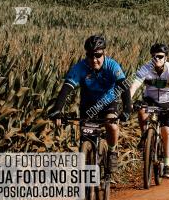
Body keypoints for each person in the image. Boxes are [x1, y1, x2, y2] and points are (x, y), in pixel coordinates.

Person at [48, 35, 131, 174]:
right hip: (88, 104)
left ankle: (111, 152)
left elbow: (124, 86)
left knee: (112, 125)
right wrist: (57, 109)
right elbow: (66, 89)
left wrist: (128, 108)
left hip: (108, 102)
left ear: (104, 53)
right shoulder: (80, 67)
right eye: (90, 56)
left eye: (98, 55)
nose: (94, 60)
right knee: (85, 137)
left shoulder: (112, 65)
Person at [129, 42, 169, 179]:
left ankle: (167, 165)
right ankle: (144, 138)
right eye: (154, 57)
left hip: (168, 102)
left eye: (160, 56)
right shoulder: (146, 68)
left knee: (167, 131)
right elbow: (134, 86)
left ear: (166, 57)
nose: (157, 59)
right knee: (142, 112)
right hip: (151, 100)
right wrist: (128, 101)